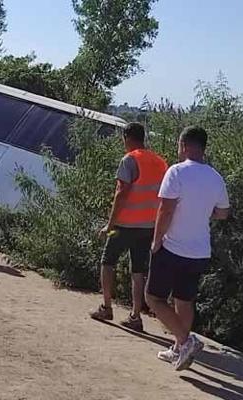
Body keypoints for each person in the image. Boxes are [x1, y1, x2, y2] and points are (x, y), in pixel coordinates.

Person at [146, 126, 230, 371]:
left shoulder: (177, 172)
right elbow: (223, 213)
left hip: (173, 247)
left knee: (154, 298)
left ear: (183, 145)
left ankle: (186, 341)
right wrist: (205, 210)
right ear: (203, 148)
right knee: (184, 300)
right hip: (200, 250)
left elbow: (166, 209)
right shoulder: (215, 177)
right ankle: (177, 349)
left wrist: (156, 239)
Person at [90, 123, 168, 332]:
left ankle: (106, 306)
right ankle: (135, 316)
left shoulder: (130, 160)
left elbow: (121, 193)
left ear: (126, 137)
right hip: (149, 225)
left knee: (107, 262)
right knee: (138, 270)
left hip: (124, 225)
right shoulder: (160, 162)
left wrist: (110, 224)